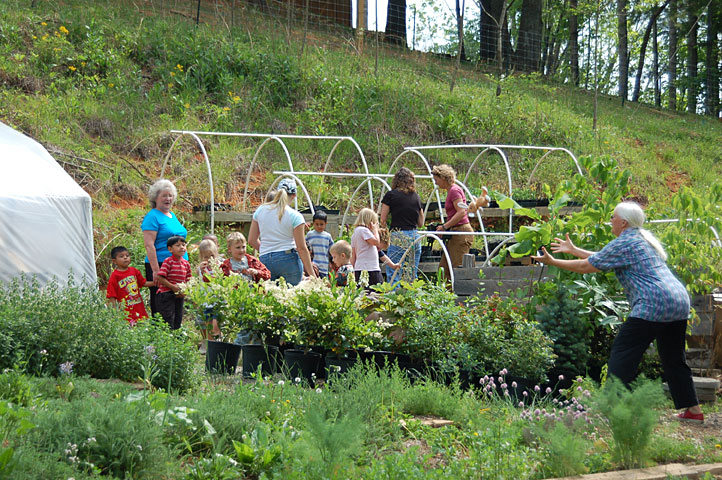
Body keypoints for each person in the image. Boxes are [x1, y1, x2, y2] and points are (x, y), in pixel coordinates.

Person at [532, 201, 703, 423]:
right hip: (678, 301)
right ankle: (693, 410)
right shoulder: (642, 239)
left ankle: (610, 409)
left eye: (613, 217)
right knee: (673, 358)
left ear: (623, 222)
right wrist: (574, 250)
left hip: (653, 303)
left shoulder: (625, 242)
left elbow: (587, 266)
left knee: (622, 354)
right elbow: (604, 257)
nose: (610, 220)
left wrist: (554, 262)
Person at [248, 179, 317, 285]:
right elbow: (301, 248)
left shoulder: (260, 211)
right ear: (293, 195)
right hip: (288, 258)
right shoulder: (295, 216)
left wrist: (267, 250)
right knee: (291, 295)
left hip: (265, 258)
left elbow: (252, 240)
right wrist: (312, 276)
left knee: (268, 295)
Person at [142, 179, 188, 316]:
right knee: (163, 302)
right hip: (162, 264)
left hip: (179, 264)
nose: (168, 199)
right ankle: (160, 334)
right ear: (155, 197)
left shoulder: (172, 216)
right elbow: (149, 245)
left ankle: (176, 332)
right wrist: (156, 270)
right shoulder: (152, 217)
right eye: (164, 195)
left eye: (170, 195)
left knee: (178, 298)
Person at [432, 164, 480, 283]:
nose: (436, 183)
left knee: (457, 269)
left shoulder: (454, 190)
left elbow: (461, 212)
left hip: (461, 233)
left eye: (436, 179)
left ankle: (461, 298)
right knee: (444, 270)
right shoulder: (451, 191)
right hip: (455, 233)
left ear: (443, 177)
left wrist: (445, 227)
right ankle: (447, 297)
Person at [380, 167, 424, 284]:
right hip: (415, 236)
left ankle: (394, 299)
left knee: (394, 270)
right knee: (411, 273)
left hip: (398, 235)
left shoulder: (391, 195)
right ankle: (411, 299)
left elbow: (382, 220)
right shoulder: (416, 197)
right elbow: (421, 223)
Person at [106, 246, 154, 325]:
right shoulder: (115, 276)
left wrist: (156, 282)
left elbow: (143, 283)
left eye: (127, 256)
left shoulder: (134, 271)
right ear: (114, 261)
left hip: (138, 306)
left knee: (141, 325)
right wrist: (115, 310)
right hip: (126, 309)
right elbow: (111, 294)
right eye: (121, 256)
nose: (125, 258)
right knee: (129, 328)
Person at [155, 236, 192, 330]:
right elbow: (160, 277)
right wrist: (172, 287)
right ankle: (167, 337)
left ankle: (176, 337)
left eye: (183, 245)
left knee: (178, 316)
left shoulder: (186, 263)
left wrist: (185, 290)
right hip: (166, 294)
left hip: (179, 294)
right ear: (170, 249)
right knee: (167, 317)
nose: (182, 247)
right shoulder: (168, 261)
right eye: (178, 245)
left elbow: (188, 279)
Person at [195, 239, 222, 353]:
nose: (209, 259)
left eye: (212, 256)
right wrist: (201, 270)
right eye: (205, 257)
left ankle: (218, 342)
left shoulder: (220, 266)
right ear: (201, 257)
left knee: (217, 322)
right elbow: (199, 280)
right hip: (206, 301)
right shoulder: (200, 268)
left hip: (218, 300)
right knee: (208, 323)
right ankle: (209, 344)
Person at [351, 208, 383, 286]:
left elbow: (353, 253)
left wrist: (353, 269)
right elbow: (376, 242)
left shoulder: (355, 232)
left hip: (359, 267)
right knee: (376, 292)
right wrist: (375, 230)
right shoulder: (364, 231)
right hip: (370, 268)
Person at [306, 210, 334, 277]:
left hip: (324, 266)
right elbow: (305, 247)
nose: (319, 226)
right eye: (317, 224)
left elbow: (332, 250)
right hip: (313, 266)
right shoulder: (310, 235)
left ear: (325, 224)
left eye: (321, 224)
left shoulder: (327, 236)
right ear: (313, 223)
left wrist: (332, 262)